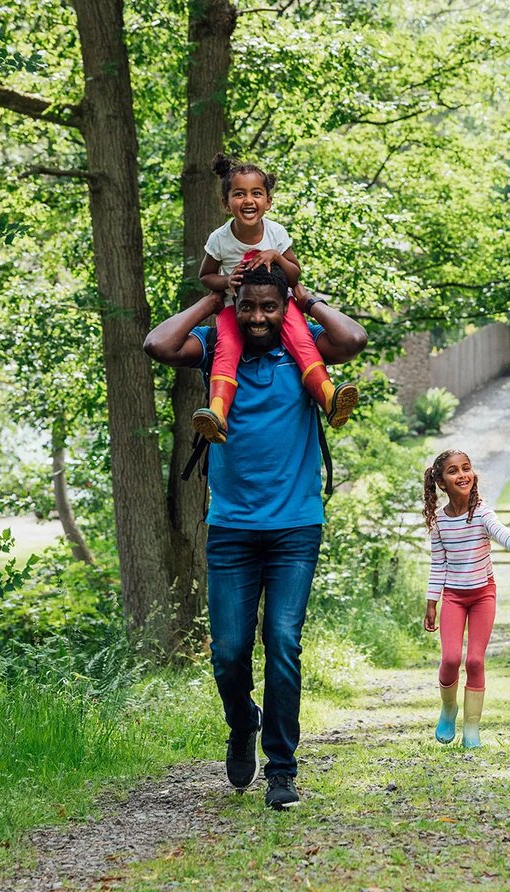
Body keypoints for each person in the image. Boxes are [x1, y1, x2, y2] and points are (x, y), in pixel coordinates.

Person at [143, 262, 367, 810]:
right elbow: (157, 343)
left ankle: (282, 770)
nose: (259, 317)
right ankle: (242, 721)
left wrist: (305, 299)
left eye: (270, 308)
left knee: (283, 642)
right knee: (228, 652)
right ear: (237, 307)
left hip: (295, 526)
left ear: (282, 307)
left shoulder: (303, 344)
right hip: (231, 530)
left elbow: (354, 338)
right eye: (250, 307)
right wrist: (213, 299)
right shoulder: (216, 345)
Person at [191, 153, 359, 443]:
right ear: (225, 203)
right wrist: (227, 281)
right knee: (226, 349)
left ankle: (329, 398)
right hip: (236, 306)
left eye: (256, 193)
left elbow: (295, 275)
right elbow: (206, 276)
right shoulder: (220, 238)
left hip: (281, 305)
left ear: (268, 202)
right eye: (239, 194)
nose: (248, 200)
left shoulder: (276, 232)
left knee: (301, 341)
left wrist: (277, 257)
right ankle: (217, 412)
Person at [422, 450, 510, 749]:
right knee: (450, 659)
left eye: (466, 468)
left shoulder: (482, 513)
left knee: (475, 660)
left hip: (483, 594)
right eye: (454, 471)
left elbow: (501, 533)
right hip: (454, 597)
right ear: (442, 483)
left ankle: (472, 727)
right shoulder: (440, 523)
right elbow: (438, 565)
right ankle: (448, 709)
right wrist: (432, 602)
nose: (462, 475)